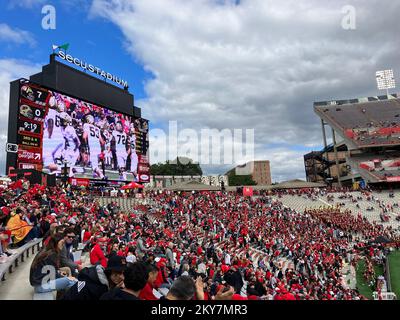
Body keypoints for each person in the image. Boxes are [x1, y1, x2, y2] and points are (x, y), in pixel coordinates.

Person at [62, 255, 127, 300]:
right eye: (117, 272)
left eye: (123, 273)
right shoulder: (98, 288)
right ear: (109, 272)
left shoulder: (97, 277)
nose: (122, 277)